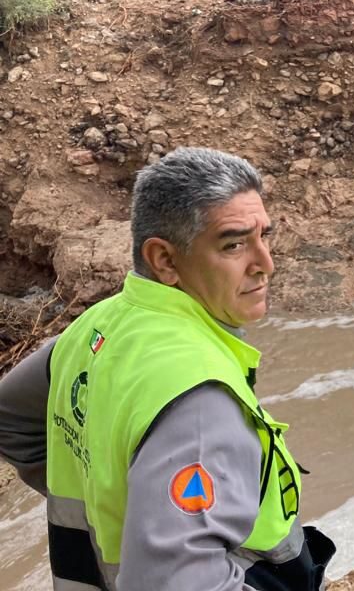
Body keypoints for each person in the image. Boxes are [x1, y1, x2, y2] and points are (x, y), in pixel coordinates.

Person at [0, 147, 335, 590]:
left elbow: (9, 419)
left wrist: (125, 506)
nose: (265, 264)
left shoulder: (97, 326)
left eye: (264, 237)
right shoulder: (200, 404)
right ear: (165, 260)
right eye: (234, 244)